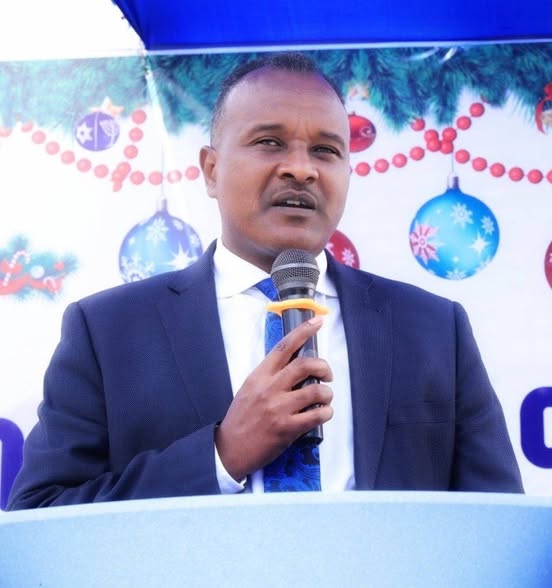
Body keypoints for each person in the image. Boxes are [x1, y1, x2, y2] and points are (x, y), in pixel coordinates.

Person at [7, 53, 523, 509]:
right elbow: (44, 513)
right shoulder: (107, 332)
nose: (301, 169)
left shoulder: (434, 329)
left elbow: (496, 524)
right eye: (269, 142)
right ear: (211, 170)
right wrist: (222, 456)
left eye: (326, 151)